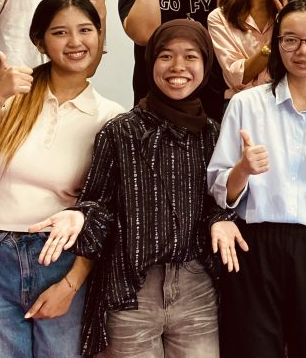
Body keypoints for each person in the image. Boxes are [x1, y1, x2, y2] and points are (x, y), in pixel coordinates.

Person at [34, 20, 249, 357]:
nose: (178, 67)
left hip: (196, 287)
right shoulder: (120, 131)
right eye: (166, 56)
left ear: (206, 64)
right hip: (131, 287)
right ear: (151, 63)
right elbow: (99, 204)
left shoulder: (213, 133)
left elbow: (217, 201)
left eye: (190, 57)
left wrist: (221, 218)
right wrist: (79, 215)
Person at [0, 0, 124, 357]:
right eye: (60, 32)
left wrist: (72, 284)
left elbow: (104, 215)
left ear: (99, 36)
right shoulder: (9, 98)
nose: (75, 42)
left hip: (62, 259)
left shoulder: (111, 117)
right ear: (39, 41)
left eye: (85, 30)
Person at [207, 0, 306, 357]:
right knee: (251, 349)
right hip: (254, 246)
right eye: (291, 40)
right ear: (277, 45)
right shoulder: (246, 104)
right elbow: (220, 189)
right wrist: (242, 170)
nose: (303, 50)